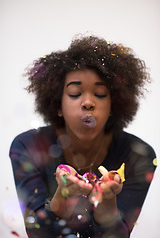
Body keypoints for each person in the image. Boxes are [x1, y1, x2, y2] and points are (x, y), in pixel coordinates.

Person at [9, 35, 156, 238]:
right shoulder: (28, 146)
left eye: (100, 94)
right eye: (76, 93)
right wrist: (63, 195)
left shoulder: (137, 156)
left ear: (114, 105)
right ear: (58, 105)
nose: (88, 102)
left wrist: (106, 205)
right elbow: (38, 233)